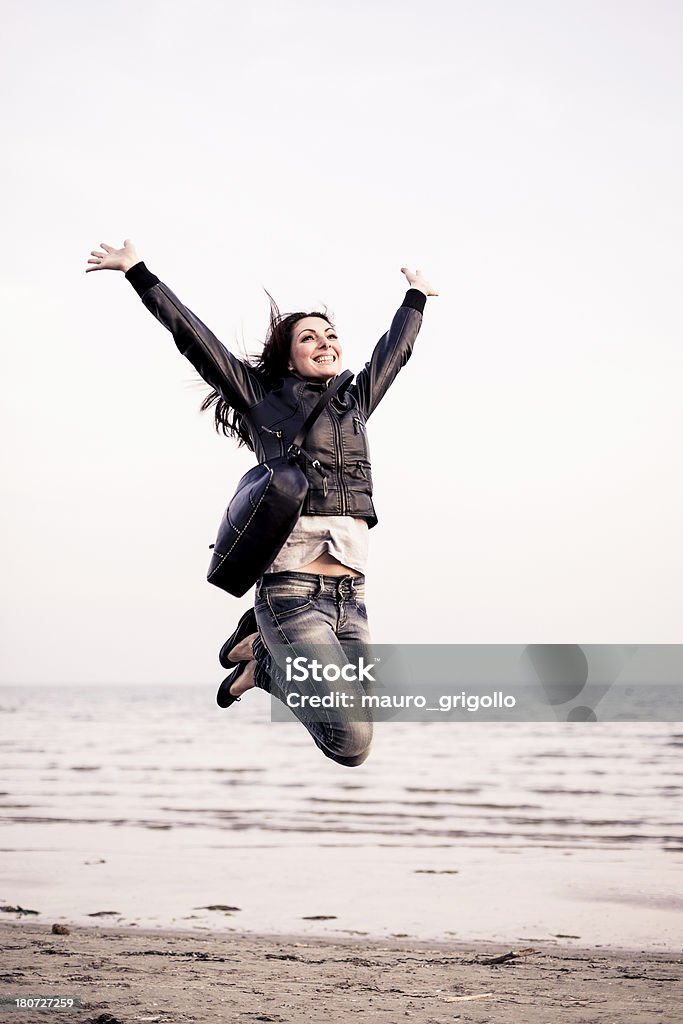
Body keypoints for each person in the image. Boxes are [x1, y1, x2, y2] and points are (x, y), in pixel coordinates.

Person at [86, 239, 437, 766]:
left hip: (352, 592)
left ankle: (259, 658)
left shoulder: (356, 402)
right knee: (352, 745)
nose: (325, 343)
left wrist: (416, 298)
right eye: (309, 337)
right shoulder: (262, 401)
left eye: (331, 335)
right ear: (288, 354)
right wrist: (138, 271)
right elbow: (195, 340)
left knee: (366, 719)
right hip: (291, 590)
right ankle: (267, 662)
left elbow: (395, 354)